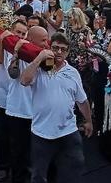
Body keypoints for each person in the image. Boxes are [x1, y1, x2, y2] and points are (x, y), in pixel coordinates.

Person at [20, 32, 94, 183]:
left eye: (63, 49)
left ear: (67, 52)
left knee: (74, 169)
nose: (59, 52)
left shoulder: (72, 73)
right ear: (49, 47)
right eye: (55, 48)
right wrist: (40, 58)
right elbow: (24, 81)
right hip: (41, 132)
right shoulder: (40, 68)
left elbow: (82, 100)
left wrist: (89, 121)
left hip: (68, 131)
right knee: (39, 174)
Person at [5, 25, 48, 183]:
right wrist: (16, 53)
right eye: (43, 40)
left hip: (38, 112)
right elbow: (13, 73)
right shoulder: (19, 50)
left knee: (38, 154)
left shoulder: (46, 54)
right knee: (19, 155)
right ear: (31, 40)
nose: (46, 43)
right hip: (19, 111)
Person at [0, 20, 28, 181]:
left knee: (18, 139)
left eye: (23, 33)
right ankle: (3, 167)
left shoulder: (25, 49)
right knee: (1, 136)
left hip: (18, 102)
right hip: (0, 98)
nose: (19, 36)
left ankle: (20, 169)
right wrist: (1, 41)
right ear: (11, 31)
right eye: (17, 32)